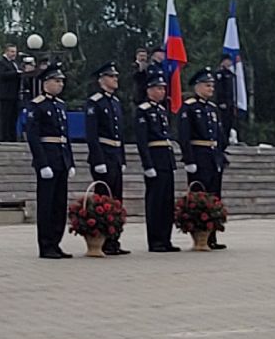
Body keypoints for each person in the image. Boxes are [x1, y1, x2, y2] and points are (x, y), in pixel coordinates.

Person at [20, 61, 73, 258]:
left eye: (61, 81)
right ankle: (46, 244)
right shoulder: (37, 105)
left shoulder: (60, 106)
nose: (60, 84)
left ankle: (56, 242)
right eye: (56, 81)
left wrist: (70, 162)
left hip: (60, 159)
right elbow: (34, 136)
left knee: (60, 204)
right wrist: (42, 163)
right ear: (45, 83)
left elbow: (64, 136)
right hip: (48, 159)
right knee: (47, 204)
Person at [84, 62, 130, 255]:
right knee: (104, 198)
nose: (115, 80)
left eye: (116, 77)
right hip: (103, 154)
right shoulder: (95, 102)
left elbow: (121, 135)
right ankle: (101, 240)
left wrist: (123, 158)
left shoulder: (115, 102)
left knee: (116, 199)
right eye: (112, 77)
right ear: (102, 80)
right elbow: (92, 134)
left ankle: (114, 240)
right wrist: (98, 159)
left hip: (115, 155)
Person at [134, 67, 182, 253]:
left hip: (166, 160)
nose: (161, 92)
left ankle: (166, 238)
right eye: (158, 88)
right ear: (149, 90)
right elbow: (142, 140)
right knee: (155, 202)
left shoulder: (162, 111)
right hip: (154, 159)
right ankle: (155, 240)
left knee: (167, 201)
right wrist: (148, 164)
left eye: (163, 88)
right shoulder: (143, 111)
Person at [179, 69, 227, 248]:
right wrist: (189, 160)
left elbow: (219, 134)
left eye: (212, 85)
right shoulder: (189, 107)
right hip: (199, 156)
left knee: (215, 196)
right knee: (200, 196)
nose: (211, 88)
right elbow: (184, 136)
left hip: (213, 156)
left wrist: (221, 154)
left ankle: (212, 236)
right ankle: (199, 237)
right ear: (198, 86)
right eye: (208, 85)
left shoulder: (212, 108)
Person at [0, 44, 23, 142]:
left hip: (15, 94)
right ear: (6, 51)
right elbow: (2, 75)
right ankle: (5, 138)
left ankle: (12, 137)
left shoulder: (15, 63)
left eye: (15, 51)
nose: (14, 54)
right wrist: (17, 73)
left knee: (13, 118)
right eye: (12, 51)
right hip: (6, 95)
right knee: (6, 118)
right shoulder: (0, 63)